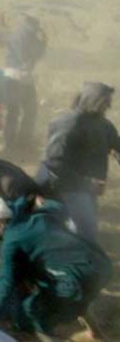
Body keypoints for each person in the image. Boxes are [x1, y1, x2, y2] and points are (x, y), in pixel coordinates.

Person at [0, 196, 112, 342]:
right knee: (53, 286)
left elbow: (5, 282)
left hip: (79, 278)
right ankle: (95, 333)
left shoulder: (12, 242)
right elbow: (59, 207)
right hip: (100, 265)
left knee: (32, 310)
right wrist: (42, 202)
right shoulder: (39, 216)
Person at [36, 82, 120, 244]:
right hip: (65, 186)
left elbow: (117, 147)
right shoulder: (68, 124)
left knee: (83, 230)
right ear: (91, 100)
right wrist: (87, 183)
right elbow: (54, 163)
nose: (108, 106)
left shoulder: (104, 125)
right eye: (105, 101)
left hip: (86, 188)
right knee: (83, 231)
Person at [3, 15, 46, 155]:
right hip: (18, 75)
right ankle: (18, 142)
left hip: (18, 75)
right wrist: (42, 42)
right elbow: (28, 56)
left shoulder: (24, 34)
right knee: (24, 110)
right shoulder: (24, 35)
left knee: (18, 110)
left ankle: (14, 143)